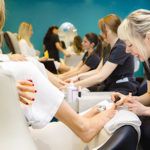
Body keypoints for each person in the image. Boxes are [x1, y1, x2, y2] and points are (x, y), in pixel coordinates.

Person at [0, 0, 115, 143]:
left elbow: (94, 73)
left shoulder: (98, 54)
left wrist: (74, 80)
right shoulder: (92, 54)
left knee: (31, 63)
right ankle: (81, 124)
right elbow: (88, 71)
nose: (83, 43)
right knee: (28, 67)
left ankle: (64, 98)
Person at [111, 9, 150, 149]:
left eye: (130, 44)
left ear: (148, 38)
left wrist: (145, 110)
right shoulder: (147, 60)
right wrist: (133, 100)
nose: (127, 50)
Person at [71, 14, 138, 95]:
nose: (101, 34)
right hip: (110, 86)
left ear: (109, 30)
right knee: (81, 93)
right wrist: (78, 78)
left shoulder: (121, 47)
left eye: (103, 31)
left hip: (122, 90)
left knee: (80, 94)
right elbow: (98, 71)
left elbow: (101, 77)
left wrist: (73, 85)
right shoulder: (107, 48)